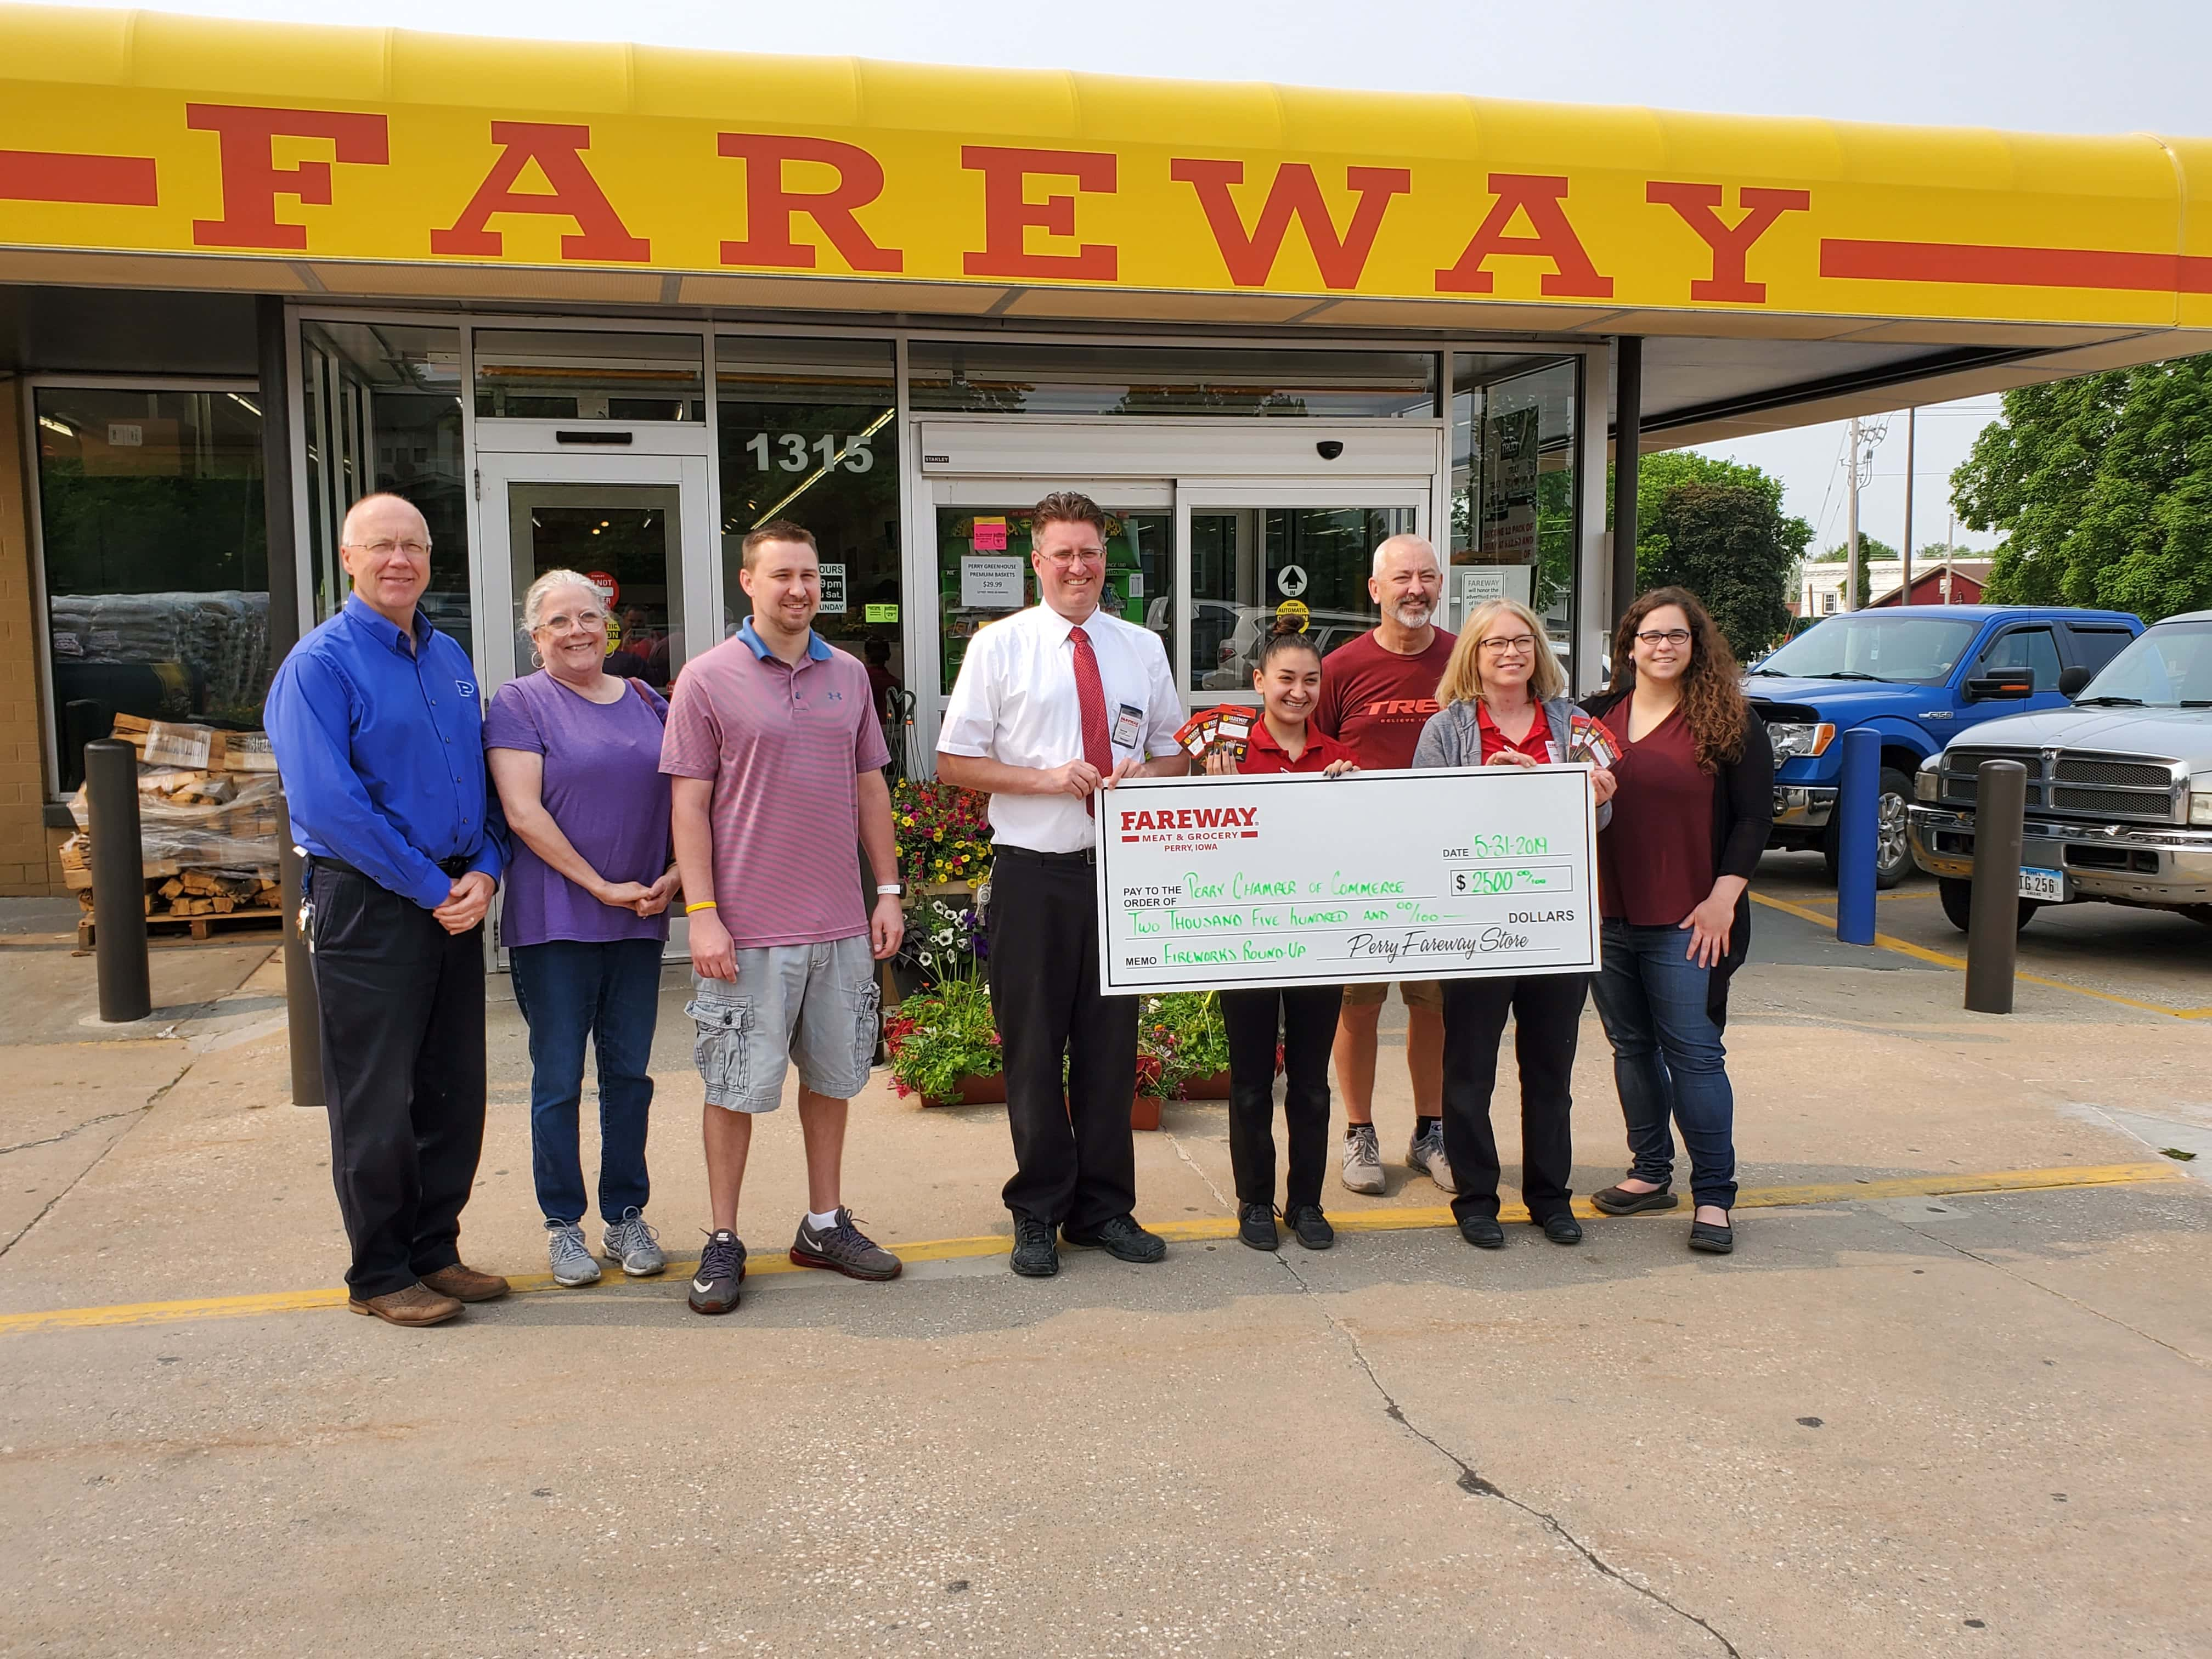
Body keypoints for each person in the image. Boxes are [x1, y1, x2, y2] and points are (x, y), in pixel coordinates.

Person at [265, 493, 507, 1329]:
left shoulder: (448, 656)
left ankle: (434, 1250)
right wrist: (432, 886)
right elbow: (332, 806)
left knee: (453, 1089)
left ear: (432, 558)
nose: (399, 560)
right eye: (381, 547)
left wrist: (483, 864)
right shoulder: (319, 665)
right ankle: (379, 1272)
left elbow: (475, 776)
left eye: (413, 546)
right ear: (347, 558)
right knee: (376, 1098)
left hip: (451, 897)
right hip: (372, 902)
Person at [936, 490, 1188, 1279]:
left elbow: (1176, 750)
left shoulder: (1141, 647)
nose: (1078, 567)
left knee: (1113, 1052)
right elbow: (953, 763)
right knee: (1036, 1053)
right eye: (1063, 554)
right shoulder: (998, 647)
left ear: (1105, 559)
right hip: (1033, 877)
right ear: (1036, 562)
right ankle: (1039, 1212)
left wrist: (1149, 769)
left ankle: (1106, 1209)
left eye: (1090, 552)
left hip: (1117, 875)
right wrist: (1043, 780)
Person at [661, 520, 906, 1316]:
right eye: (781, 576)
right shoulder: (706, 678)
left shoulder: (850, 678)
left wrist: (889, 889)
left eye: (808, 576)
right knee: (733, 1087)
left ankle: (824, 1223)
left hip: (838, 924)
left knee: (833, 1081)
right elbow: (688, 805)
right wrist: (702, 914)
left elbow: (872, 787)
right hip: (746, 930)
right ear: (748, 584)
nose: (798, 590)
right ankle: (725, 1238)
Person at [486, 570, 680, 1290]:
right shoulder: (519, 703)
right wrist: (600, 885)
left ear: (609, 627)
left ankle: (626, 1212)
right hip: (556, 924)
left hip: (639, 921)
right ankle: (563, 1226)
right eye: (558, 621)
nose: (576, 631)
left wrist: (679, 871)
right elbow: (523, 813)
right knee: (560, 1079)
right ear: (536, 638)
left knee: (629, 1079)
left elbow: (689, 794)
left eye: (588, 618)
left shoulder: (647, 699)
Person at [1411, 599, 1618, 1250]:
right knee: (1469, 1069)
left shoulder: (1574, 722)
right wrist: (1486, 787)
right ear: (1472, 654)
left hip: (1554, 920)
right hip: (1475, 923)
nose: (1510, 653)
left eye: (1522, 641)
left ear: (1539, 650)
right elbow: (1423, 819)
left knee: (1550, 1072)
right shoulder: (1446, 729)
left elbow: (1598, 824)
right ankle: (1476, 1198)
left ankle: (1550, 1198)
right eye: (1495, 643)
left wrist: (1596, 799)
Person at [1582, 588, 1774, 1256]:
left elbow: (1754, 818)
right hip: (1607, 912)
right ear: (1628, 646)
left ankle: (1715, 1194)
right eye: (1650, 635)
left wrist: (1724, 897)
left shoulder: (1730, 721)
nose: (1663, 646)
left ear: (1696, 646)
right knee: (1632, 1047)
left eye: (1677, 636)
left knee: (1694, 1053)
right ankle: (1651, 1172)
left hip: (1692, 916)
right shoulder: (1594, 717)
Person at [1201, 618, 1358, 1252]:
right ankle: (1255, 1203)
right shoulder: (1228, 759)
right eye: (1286, 679)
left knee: (1312, 1081)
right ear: (1259, 681)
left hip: (1320, 940)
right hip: (1249, 940)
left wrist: (1355, 799)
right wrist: (1210, 797)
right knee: (1249, 1081)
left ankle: (1309, 1203)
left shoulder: (1340, 760)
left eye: (1311, 681)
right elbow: (1198, 849)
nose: (1298, 691)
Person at [1311, 533, 1456, 1197]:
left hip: (1444, 865)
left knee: (1434, 1004)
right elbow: (1313, 755)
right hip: (1362, 870)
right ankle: (1359, 1132)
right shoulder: (1340, 668)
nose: (1415, 589)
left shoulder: (1467, 660)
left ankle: (1432, 1131)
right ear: (1375, 591)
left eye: (1427, 576)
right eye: (1402, 578)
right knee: (1360, 1005)